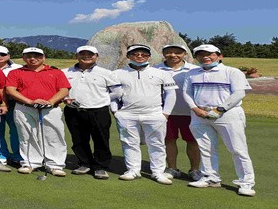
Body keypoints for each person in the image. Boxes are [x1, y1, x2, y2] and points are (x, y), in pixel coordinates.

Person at [184, 44, 256, 197]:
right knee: (206, 148)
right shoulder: (192, 73)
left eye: (210, 54)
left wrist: (220, 109)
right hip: (200, 114)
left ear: (219, 56)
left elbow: (239, 93)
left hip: (228, 114)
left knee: (237, 149)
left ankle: (246, 183)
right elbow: (187, 93)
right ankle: (210, 177)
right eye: (201, 54)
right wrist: (195, 109)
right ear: (196, 58)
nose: (205, 57)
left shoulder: (232, 72)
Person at [112, 44, 177, 185]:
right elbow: (113, 95)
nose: (140, 56)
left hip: (154, 114)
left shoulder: (161, 73)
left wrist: (165, 114)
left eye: (144, 54)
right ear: (128, 56)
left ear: (149, 56)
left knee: (157, 144)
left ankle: (158, 172)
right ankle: (133, 170)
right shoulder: (117, 73)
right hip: (127, 114)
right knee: (129, 143)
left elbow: (171, 94)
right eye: (135, 54)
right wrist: (115, 111)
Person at [5, 47, 71, 177]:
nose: (33, 58)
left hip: (50, 108)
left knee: (53, 136)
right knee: (27, 136)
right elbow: (10, 90)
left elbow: (64, 90)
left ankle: (55, 165)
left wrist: (50, 101)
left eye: (37, 56)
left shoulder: (55, 72)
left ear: (44, 57)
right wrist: (29, 101)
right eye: (29, 56)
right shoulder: (16, 72)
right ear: (24, 58)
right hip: (24, 108)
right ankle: (30, 163)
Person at [62, 45, 122, 180]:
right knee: (78, 139)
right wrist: (65, 98)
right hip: (73, 111)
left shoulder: (106, 73)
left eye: (90, 54)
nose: (86, 56)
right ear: (76, 56)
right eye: (82, 54)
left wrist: (101, 99)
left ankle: (100, 166)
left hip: (98, 111)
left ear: (97, 56)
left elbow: (117, 92)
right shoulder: (65, 72)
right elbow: (61, 90)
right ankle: (84, 163)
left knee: (101, 139)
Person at [154, 44, 201, 181]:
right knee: (169, 140)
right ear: (163, 54)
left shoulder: (194, 70)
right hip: (165, 113)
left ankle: (195, 170)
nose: (173, 55)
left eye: (177, 52)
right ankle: (172, 168)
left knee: (193, 141)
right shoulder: (155, 70)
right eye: (169, 52)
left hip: (190, 112)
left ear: (185, 54)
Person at [0, 45, 22, 166]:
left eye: (3, 54)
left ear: (8, 55)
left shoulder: (19, 68)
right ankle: (1, 154)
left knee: (16, 130)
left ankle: (18, 155)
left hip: (15, 103)